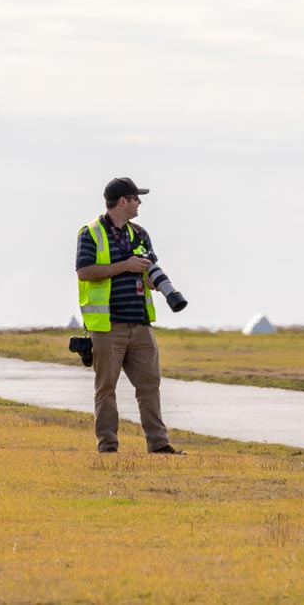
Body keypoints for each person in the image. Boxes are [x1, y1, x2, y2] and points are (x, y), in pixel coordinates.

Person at [75, 177, 183, 454]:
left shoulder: (140, 234)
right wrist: (125, 266)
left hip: (141, 324)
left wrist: (155, 281)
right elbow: (85, 272)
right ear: (123, 201)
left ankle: (159, 445)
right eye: (136, 198)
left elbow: (148, 271)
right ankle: (108, 446)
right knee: (106, 388)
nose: (140, 203)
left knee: (150, 385)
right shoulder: (90, 233)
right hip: (108, 325)